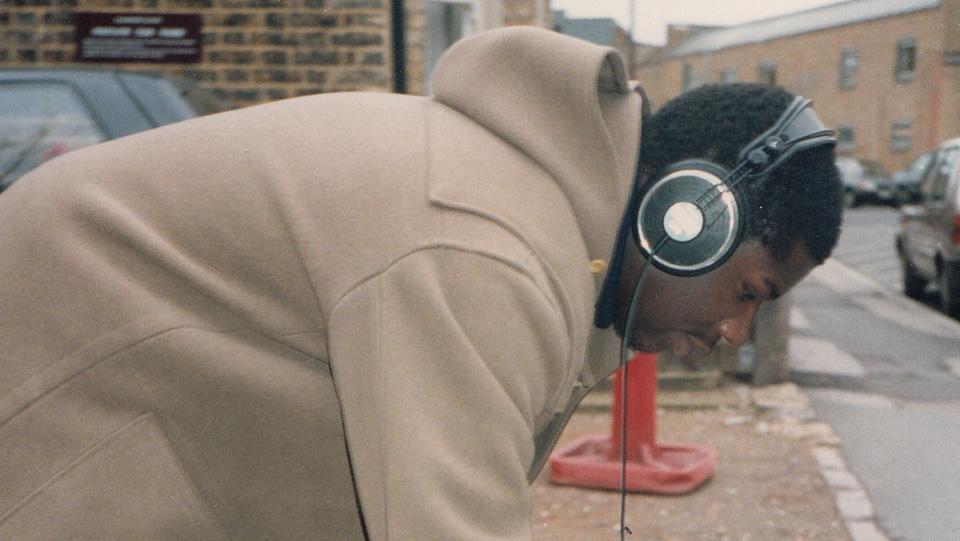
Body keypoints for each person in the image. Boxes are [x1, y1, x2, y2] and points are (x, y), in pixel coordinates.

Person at [0, 27, 841, 539]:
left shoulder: (549, 241)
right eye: (750, 293)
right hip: (58, 365)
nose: (733, 335)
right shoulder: (484, 252)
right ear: (688, 218)